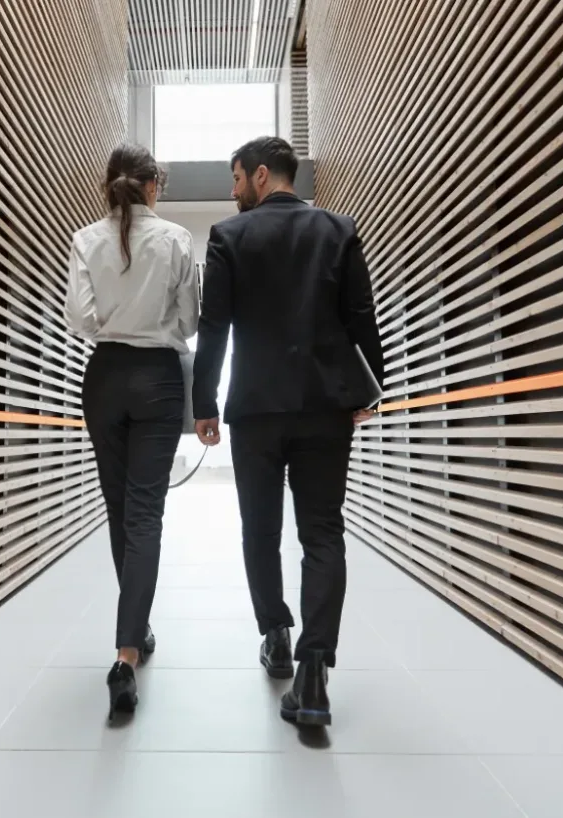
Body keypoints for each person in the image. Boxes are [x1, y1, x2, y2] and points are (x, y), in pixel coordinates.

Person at [192, 136, 383, 727]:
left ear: (261, 174)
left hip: (255, 408)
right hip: (326, 406)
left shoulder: (230, 236)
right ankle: (314, 674)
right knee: (323, 531)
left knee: (260, 529)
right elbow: (362, 318)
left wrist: (205, 403)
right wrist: (369, 390)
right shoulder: (339, 229)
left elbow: (214, 327)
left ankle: (276, 635)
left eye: (236, 177)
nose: (232, 189)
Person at [64, 143, 199, 719]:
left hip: (104, 377)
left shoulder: (85, 239)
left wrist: (115, 322)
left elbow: (79, 319)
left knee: (119, 509)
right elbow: (191, 320)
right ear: (151, 186)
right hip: (158, 379)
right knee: (145, 512)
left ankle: (135, 631)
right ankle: (126, 652)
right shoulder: (175, 240)